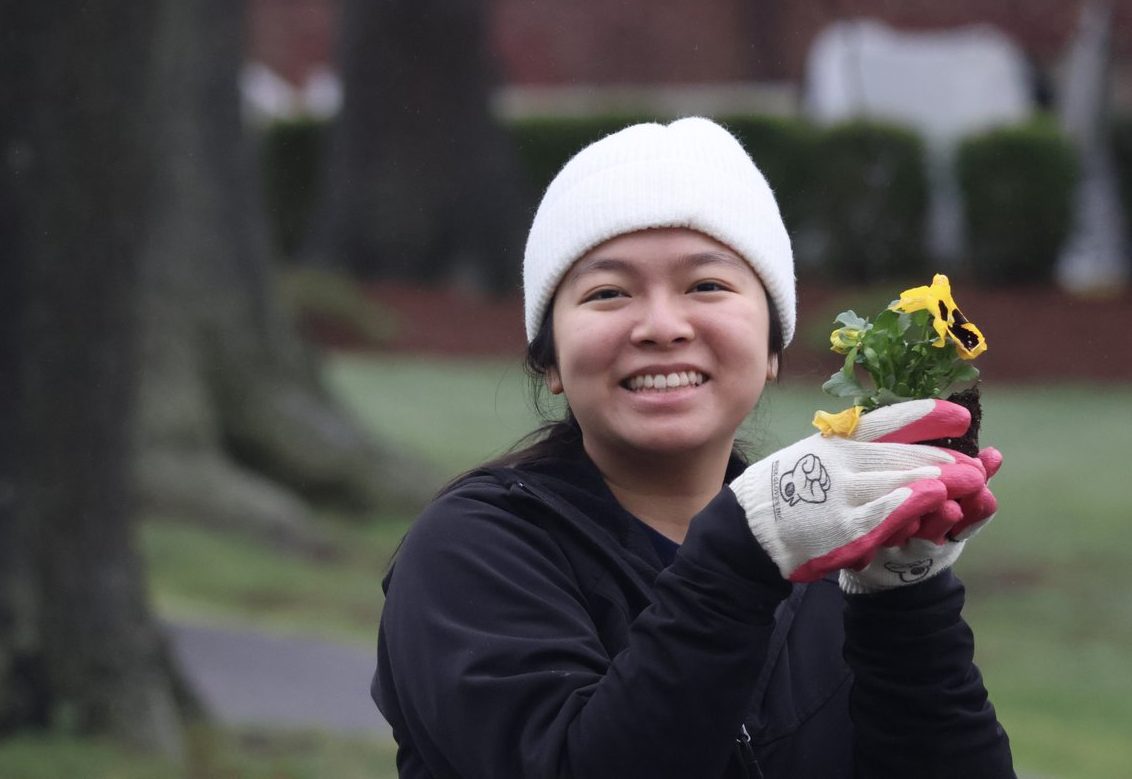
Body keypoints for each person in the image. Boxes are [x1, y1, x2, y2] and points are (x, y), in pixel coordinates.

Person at [372, 117, 1014, 778]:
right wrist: (745, 551)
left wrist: (902, 594)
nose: (661, 326)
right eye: (608, 292)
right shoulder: (469, 554)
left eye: (707, 285)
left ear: (771, 349)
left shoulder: (829, 558)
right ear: (552, 362)